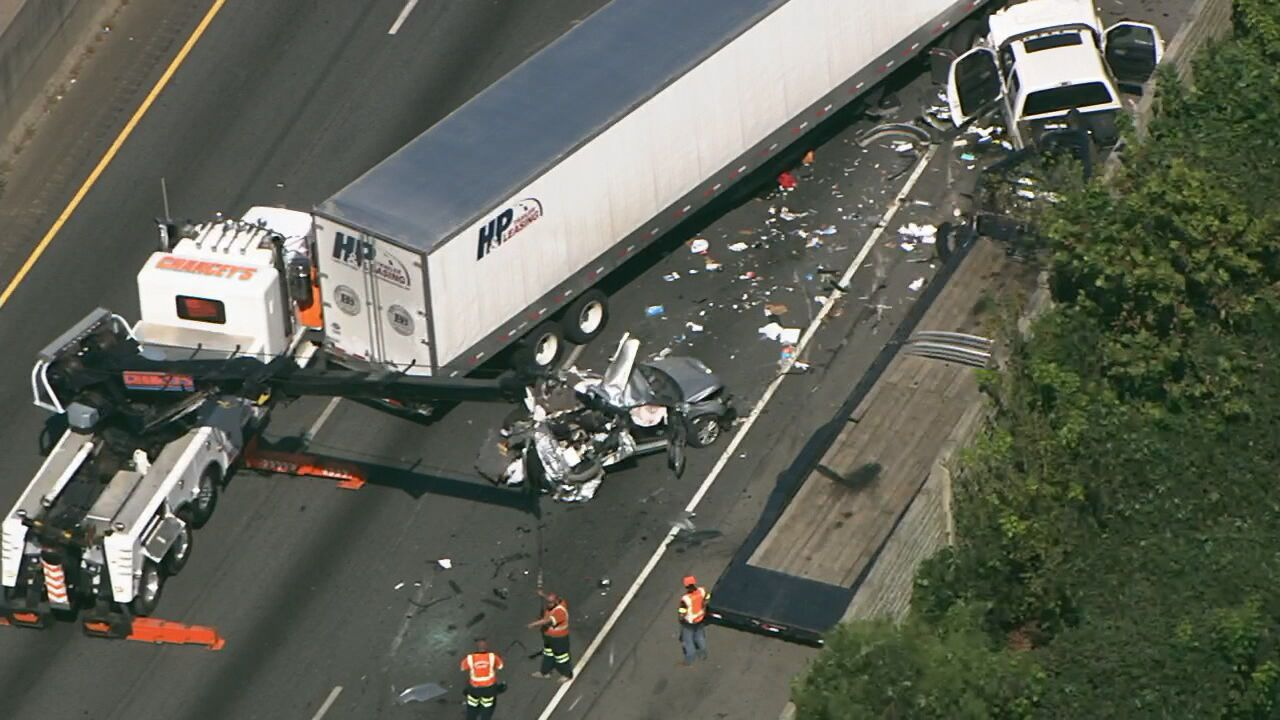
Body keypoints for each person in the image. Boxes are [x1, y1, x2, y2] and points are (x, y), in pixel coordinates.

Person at [527, 589, 573, 682]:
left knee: (561, 658)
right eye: (548, 602)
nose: (548, 605)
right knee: (548, 655)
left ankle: (567, 674)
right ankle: (545, 672)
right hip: (549, 637)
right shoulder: (555, 603)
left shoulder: (560, 612)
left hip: (559, 639)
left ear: (556, 602)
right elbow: (549, 598)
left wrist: (533, 624)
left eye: (551, 603)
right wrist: (542, 594)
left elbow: (546, 621)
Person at [459, 638, 504, 720]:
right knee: (487, 708)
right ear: (486, 647)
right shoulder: (492, 657)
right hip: (489, 688)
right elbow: (500, 666)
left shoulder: (470, 658)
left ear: (477, 647)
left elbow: (462, 668)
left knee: (472, 707)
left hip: (474, 689)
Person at [677, 575, 710, 665]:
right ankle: (703, 654)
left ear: (686, 586)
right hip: (700, 619)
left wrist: (681, 619)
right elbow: (707, 599)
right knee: (700, 637)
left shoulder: (686, 599)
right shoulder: (702, 591)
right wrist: (703, 607)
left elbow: (682, 613)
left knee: (688, 641)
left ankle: (689, 659)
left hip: (689, 623)